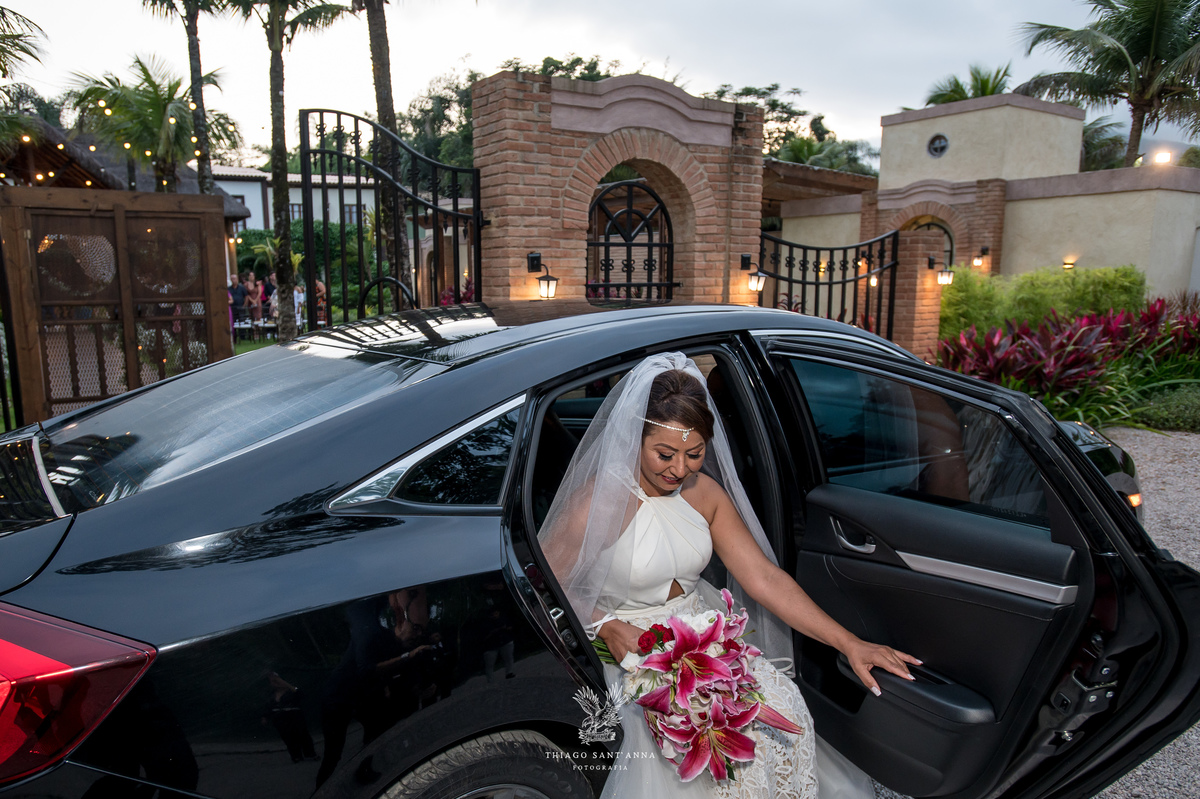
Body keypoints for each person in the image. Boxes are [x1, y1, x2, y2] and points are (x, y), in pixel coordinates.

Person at [539, 353, 919, 799]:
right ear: (633, 439)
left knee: (782, 709)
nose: (679, 469)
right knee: (694, 758)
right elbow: (547, 580)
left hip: (706, 637)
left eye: (694, 454)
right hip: (634, 650)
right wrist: (605, 624)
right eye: (664, 453)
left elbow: (764, 579)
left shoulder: (704, 494)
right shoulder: (599, 502)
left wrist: (849, 642)